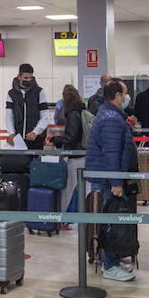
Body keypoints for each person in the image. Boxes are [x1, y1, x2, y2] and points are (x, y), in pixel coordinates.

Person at [84, 78, 136, 281]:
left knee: (116, 219)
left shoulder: (111, 115)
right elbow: (112, 153)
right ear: (117, 96)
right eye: (124, 93)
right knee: (112, 220)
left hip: (112, 177)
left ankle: (113, 259)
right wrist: (116, 182)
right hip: (110, 179)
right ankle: (109, 265)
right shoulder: (110, 119)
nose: (126, 97)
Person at [50, 84, 90, 212]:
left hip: (76, 157)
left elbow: (71, 137)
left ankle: (61, 218)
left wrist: (56, 140)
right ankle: (84, 220)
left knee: (67, 190)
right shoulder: (83, 110)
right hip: (85, 155)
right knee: (84, 191)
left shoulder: (73, 113)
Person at [4, 64, 52, 150]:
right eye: (26, 78)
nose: (29, 80)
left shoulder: (39, 92)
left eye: (31, 78)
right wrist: (11, 133)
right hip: (18, 140)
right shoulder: (11, 94)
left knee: (35, 163)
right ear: (19, 77)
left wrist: (35, 132)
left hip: (36, 140)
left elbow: (45, 116)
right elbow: (9, 116)